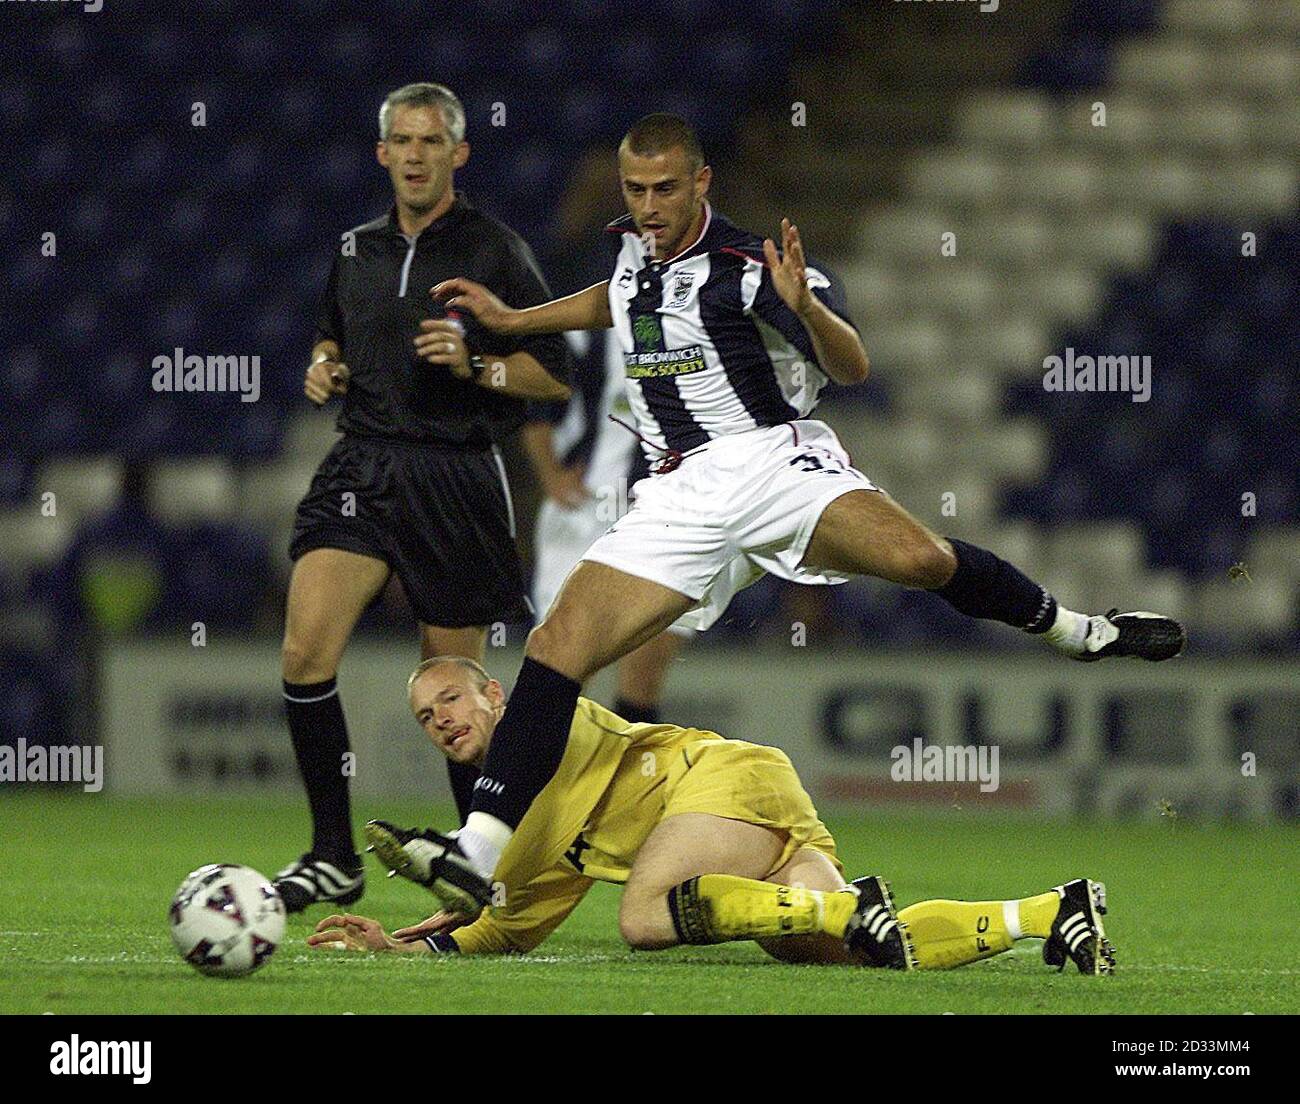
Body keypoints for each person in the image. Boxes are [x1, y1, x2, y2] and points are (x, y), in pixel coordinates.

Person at [406, 112, 1185, 911]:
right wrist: (512, 321)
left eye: (665, 188)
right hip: (680, 490)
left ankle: (1079, 632)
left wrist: (806, 310)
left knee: (921, 560)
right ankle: (476, 853)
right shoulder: (633, 250)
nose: (648, 204)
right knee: (558, 643)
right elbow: (617, 299)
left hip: (771, 463)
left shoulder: (754, 267)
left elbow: (851, 365)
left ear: (701, 181)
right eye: (635, 189)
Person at [306, 656, 1115, 975]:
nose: (440, 718)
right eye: (424, 716)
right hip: (751, 807)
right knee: (858, 956)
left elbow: (502, 881)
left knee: (645, 916)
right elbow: (512, 926)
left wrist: (458, 867)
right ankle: (1049, 912)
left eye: (450, 697)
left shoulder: (536, 727)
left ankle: (842, 904)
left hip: (720, 781)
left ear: (494, 696)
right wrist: (414, 943)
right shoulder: (510, 811)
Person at [273, 82, 570, 912]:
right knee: (304, 655)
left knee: (451, 689)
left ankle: (469, 877)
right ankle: (334, 855)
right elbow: (333, 331)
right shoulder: (355, 247)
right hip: (362, 463)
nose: (414, 155)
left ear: (458, 154)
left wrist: (478, 364)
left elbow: (553, 378)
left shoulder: (497, 251)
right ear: (382, 153)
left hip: (455, 472)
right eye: (401, 141)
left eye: (431, 142)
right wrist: (323, 363)